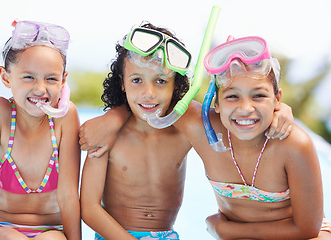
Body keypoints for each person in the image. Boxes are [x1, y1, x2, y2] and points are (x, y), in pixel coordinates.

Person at [79, 23, 293, 240]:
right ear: (122, 83)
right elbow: (88, 208)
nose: (148, 93)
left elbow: (236, 114)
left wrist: (280, 109)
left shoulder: (185, 128)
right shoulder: (107, 135)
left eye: (161, 81)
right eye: (136, 80)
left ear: (176, 86)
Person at [200, 36, 331, 239]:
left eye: (259, 96)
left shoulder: (293, 144)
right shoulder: (201, 127)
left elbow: (308, 229)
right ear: (216, 103)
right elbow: (151, 106)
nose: (245, 108)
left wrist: (225, 231)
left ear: (277, 99)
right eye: (232, 96)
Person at [0, 20, 81, 239]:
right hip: (1, 227)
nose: (40, 89)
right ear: (6, 77)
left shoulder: (65, 117)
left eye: (51, 79)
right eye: (29, 77)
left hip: (52, 230)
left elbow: (69, 196)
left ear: (63, 81)